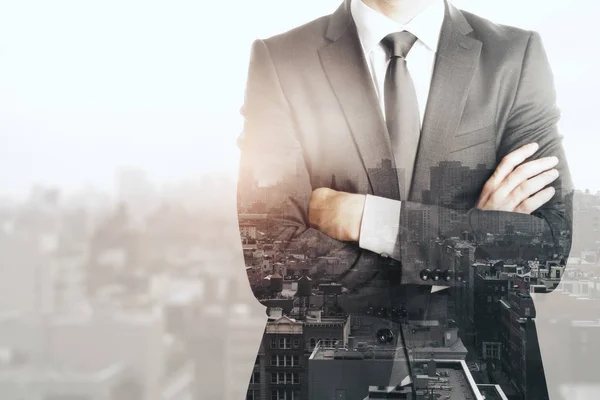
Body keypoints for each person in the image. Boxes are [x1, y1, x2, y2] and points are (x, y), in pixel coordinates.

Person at [237, 0, 573, 398]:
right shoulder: (281, 61)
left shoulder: (514, 58)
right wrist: (467, 242)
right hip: (323, 380)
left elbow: (548, 251)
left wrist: (370, 220)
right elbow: (271, 263)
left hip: (481, 375)